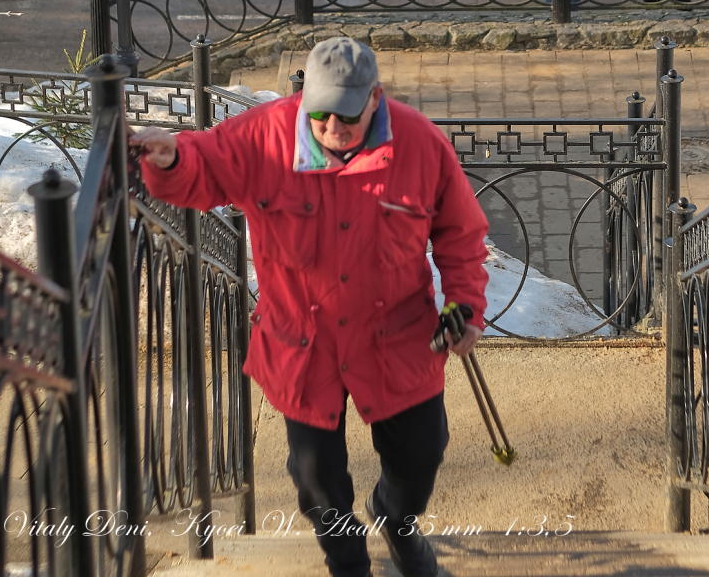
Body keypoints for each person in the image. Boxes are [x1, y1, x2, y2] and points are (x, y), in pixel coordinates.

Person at [130, 36, 489, 577]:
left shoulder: (421, 144)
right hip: (302, 338)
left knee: (421, 454)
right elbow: (202, 166)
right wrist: (170, 158)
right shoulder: (264, 134)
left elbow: (461, 233)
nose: (333, 129)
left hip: (396, 333)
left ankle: (397, 518)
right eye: (320, 114)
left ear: (376, 98)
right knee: (316, 479)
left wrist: (464, 304)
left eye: (347, 116)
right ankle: (347, 563)